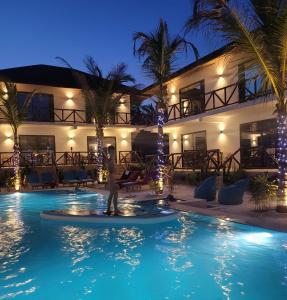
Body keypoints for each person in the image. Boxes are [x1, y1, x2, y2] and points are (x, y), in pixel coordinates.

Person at [105, 147, 121, 216]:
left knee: (114, 194)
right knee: (113, 194)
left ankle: (113, 209)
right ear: (110, 152)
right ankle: (112, 210)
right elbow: (110, 172)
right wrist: (113, 179)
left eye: (114, 152)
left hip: (113, 178)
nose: (114, 153)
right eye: (112, 152)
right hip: (112, 178)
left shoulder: (112, 160)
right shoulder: (110, 160)